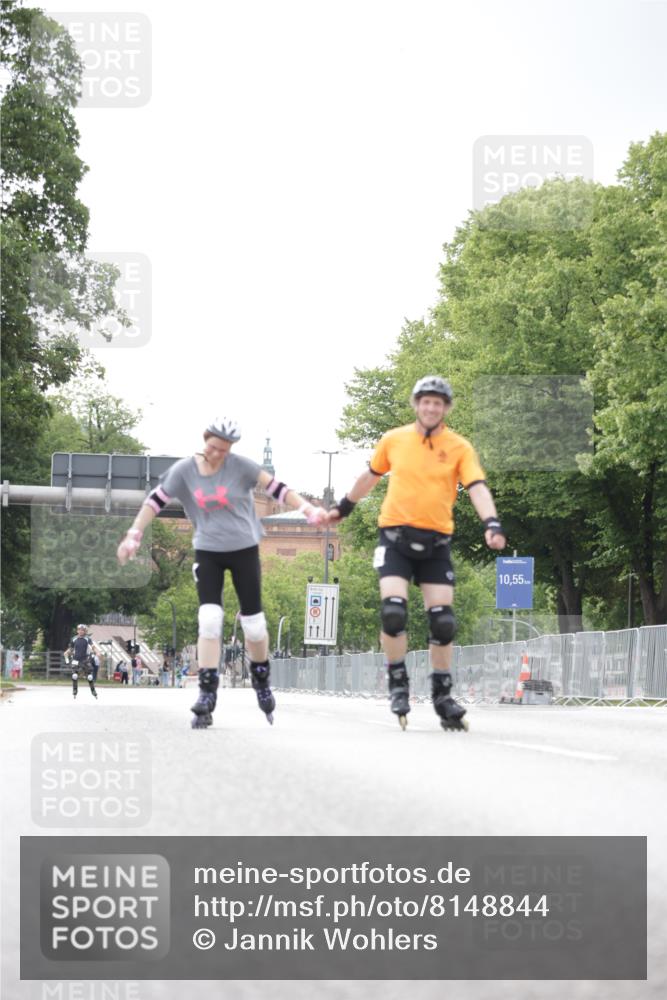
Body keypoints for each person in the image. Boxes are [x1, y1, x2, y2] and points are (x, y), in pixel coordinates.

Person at [116, 415, 326, 728]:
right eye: (215, 447)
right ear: (205, 441)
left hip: (244, 548)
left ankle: (260, 675)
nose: (219, 454)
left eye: (225, 449)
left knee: (254, 626)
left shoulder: (240, 466)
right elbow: (154, 502)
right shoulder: (185, 470)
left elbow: (278, 489)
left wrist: (308, 509)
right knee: (210, 620)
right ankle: (207, 692)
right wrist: (134, 533)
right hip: (208, 549)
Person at [325, 375, 506, 732]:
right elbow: (370, 476)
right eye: (425, 401)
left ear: (446, 408)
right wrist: (344, 506)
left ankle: (442, 695)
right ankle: (398, 683)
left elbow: (477, 487)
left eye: (438, 403)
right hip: (394, 539)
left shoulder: (459, 447)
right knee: (394, 613)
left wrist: (492, 523)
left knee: (443, 620)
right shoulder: (394, 440)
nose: (431, 407)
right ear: (416, 404)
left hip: (437, 543)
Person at [65, 624, 98, 700]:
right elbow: (71, 648)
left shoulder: (87, 639)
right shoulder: (74, 639)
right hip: (75, 659)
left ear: (85, 631)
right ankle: (75, 689)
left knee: (89, 677)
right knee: (74, 675)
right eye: (79, 630)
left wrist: (97, 651)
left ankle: (93, 690)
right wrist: (67, 653)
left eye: (83, 630)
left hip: (85, 660)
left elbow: (93, 646)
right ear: (77, 631)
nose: (81, 631)